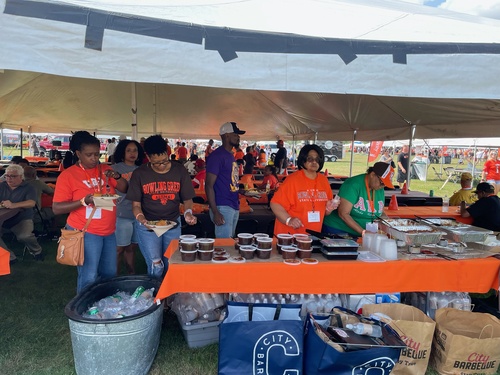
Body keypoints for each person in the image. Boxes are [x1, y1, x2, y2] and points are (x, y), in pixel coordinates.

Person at [53, 131, 128, 293]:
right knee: (89, 274)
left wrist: (117, 175)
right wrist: (83, 201)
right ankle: (83, 311)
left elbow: (124, 188)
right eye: (89, 155)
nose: (95, 158)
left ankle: (103, 302)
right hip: (85, 230)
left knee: (109, 272)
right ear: (78, 154)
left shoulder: (105, 169)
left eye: (97, 154)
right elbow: (57, 208)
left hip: (108, 230)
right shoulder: (68, 176)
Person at [126, 135, 197, 278]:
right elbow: (136, 205)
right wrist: (142, 219)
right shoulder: (140, 174)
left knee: (171, 262)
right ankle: (156, 295)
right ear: (148, 157)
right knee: (156, 265)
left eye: (165, 160)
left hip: (173, 223)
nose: (162, 165)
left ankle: (169, 297)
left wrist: (188, 213)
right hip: (148, 226)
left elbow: (187, 199)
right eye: (157, 163)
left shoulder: (179, 170)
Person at [271, 144, 337, 235]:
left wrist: (329, 209)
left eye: (317, 159)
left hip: (312, 235)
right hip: (289, 236)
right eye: (310, 159)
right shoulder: (292, 180)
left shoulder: (324, 181)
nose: (314, 162)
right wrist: (289, 220)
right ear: (303, 160)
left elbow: (324, 211)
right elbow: (275, 204)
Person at [323, 162, 394, 238]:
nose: (382, 186)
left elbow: (380, 212)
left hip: (363, 233)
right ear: (372, 175)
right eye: (382, 183)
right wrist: (363, 232)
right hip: (339, 230)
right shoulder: (353, 185)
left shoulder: (378, 188)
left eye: (385, 185)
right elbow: (343, 214)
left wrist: (390, 225)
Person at [206, 122, 245, 238]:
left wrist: (239, 191)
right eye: (235, 134)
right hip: (222, 206)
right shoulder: (217, 156)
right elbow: (208, 185)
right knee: (224, 247)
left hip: (233, 204)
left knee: (230, 244)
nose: (238, 137)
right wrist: (215, 211)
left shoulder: (230, 155)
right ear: (227, 135)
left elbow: (228, 180)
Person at [0, 164, 44, 264]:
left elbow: (31, 203)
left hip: (21, 219)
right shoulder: (2, 186)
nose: (9, 178)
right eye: (7, 175)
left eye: (13, 176)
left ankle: (36, 251)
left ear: (21, 176)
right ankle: (10, 257)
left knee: (25, 236)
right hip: (3, 219)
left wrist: (13, 205)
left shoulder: (29, 187)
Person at [112, 139, 144, 275]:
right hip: (121, 213)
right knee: (119, 248)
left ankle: (131, 274)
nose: (132, 153)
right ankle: (114, 276)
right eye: (128, 150)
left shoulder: (142, 170)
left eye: (135, 150)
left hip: (137, 215)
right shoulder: (115, 169)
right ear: (122, 152)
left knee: (132, 247)